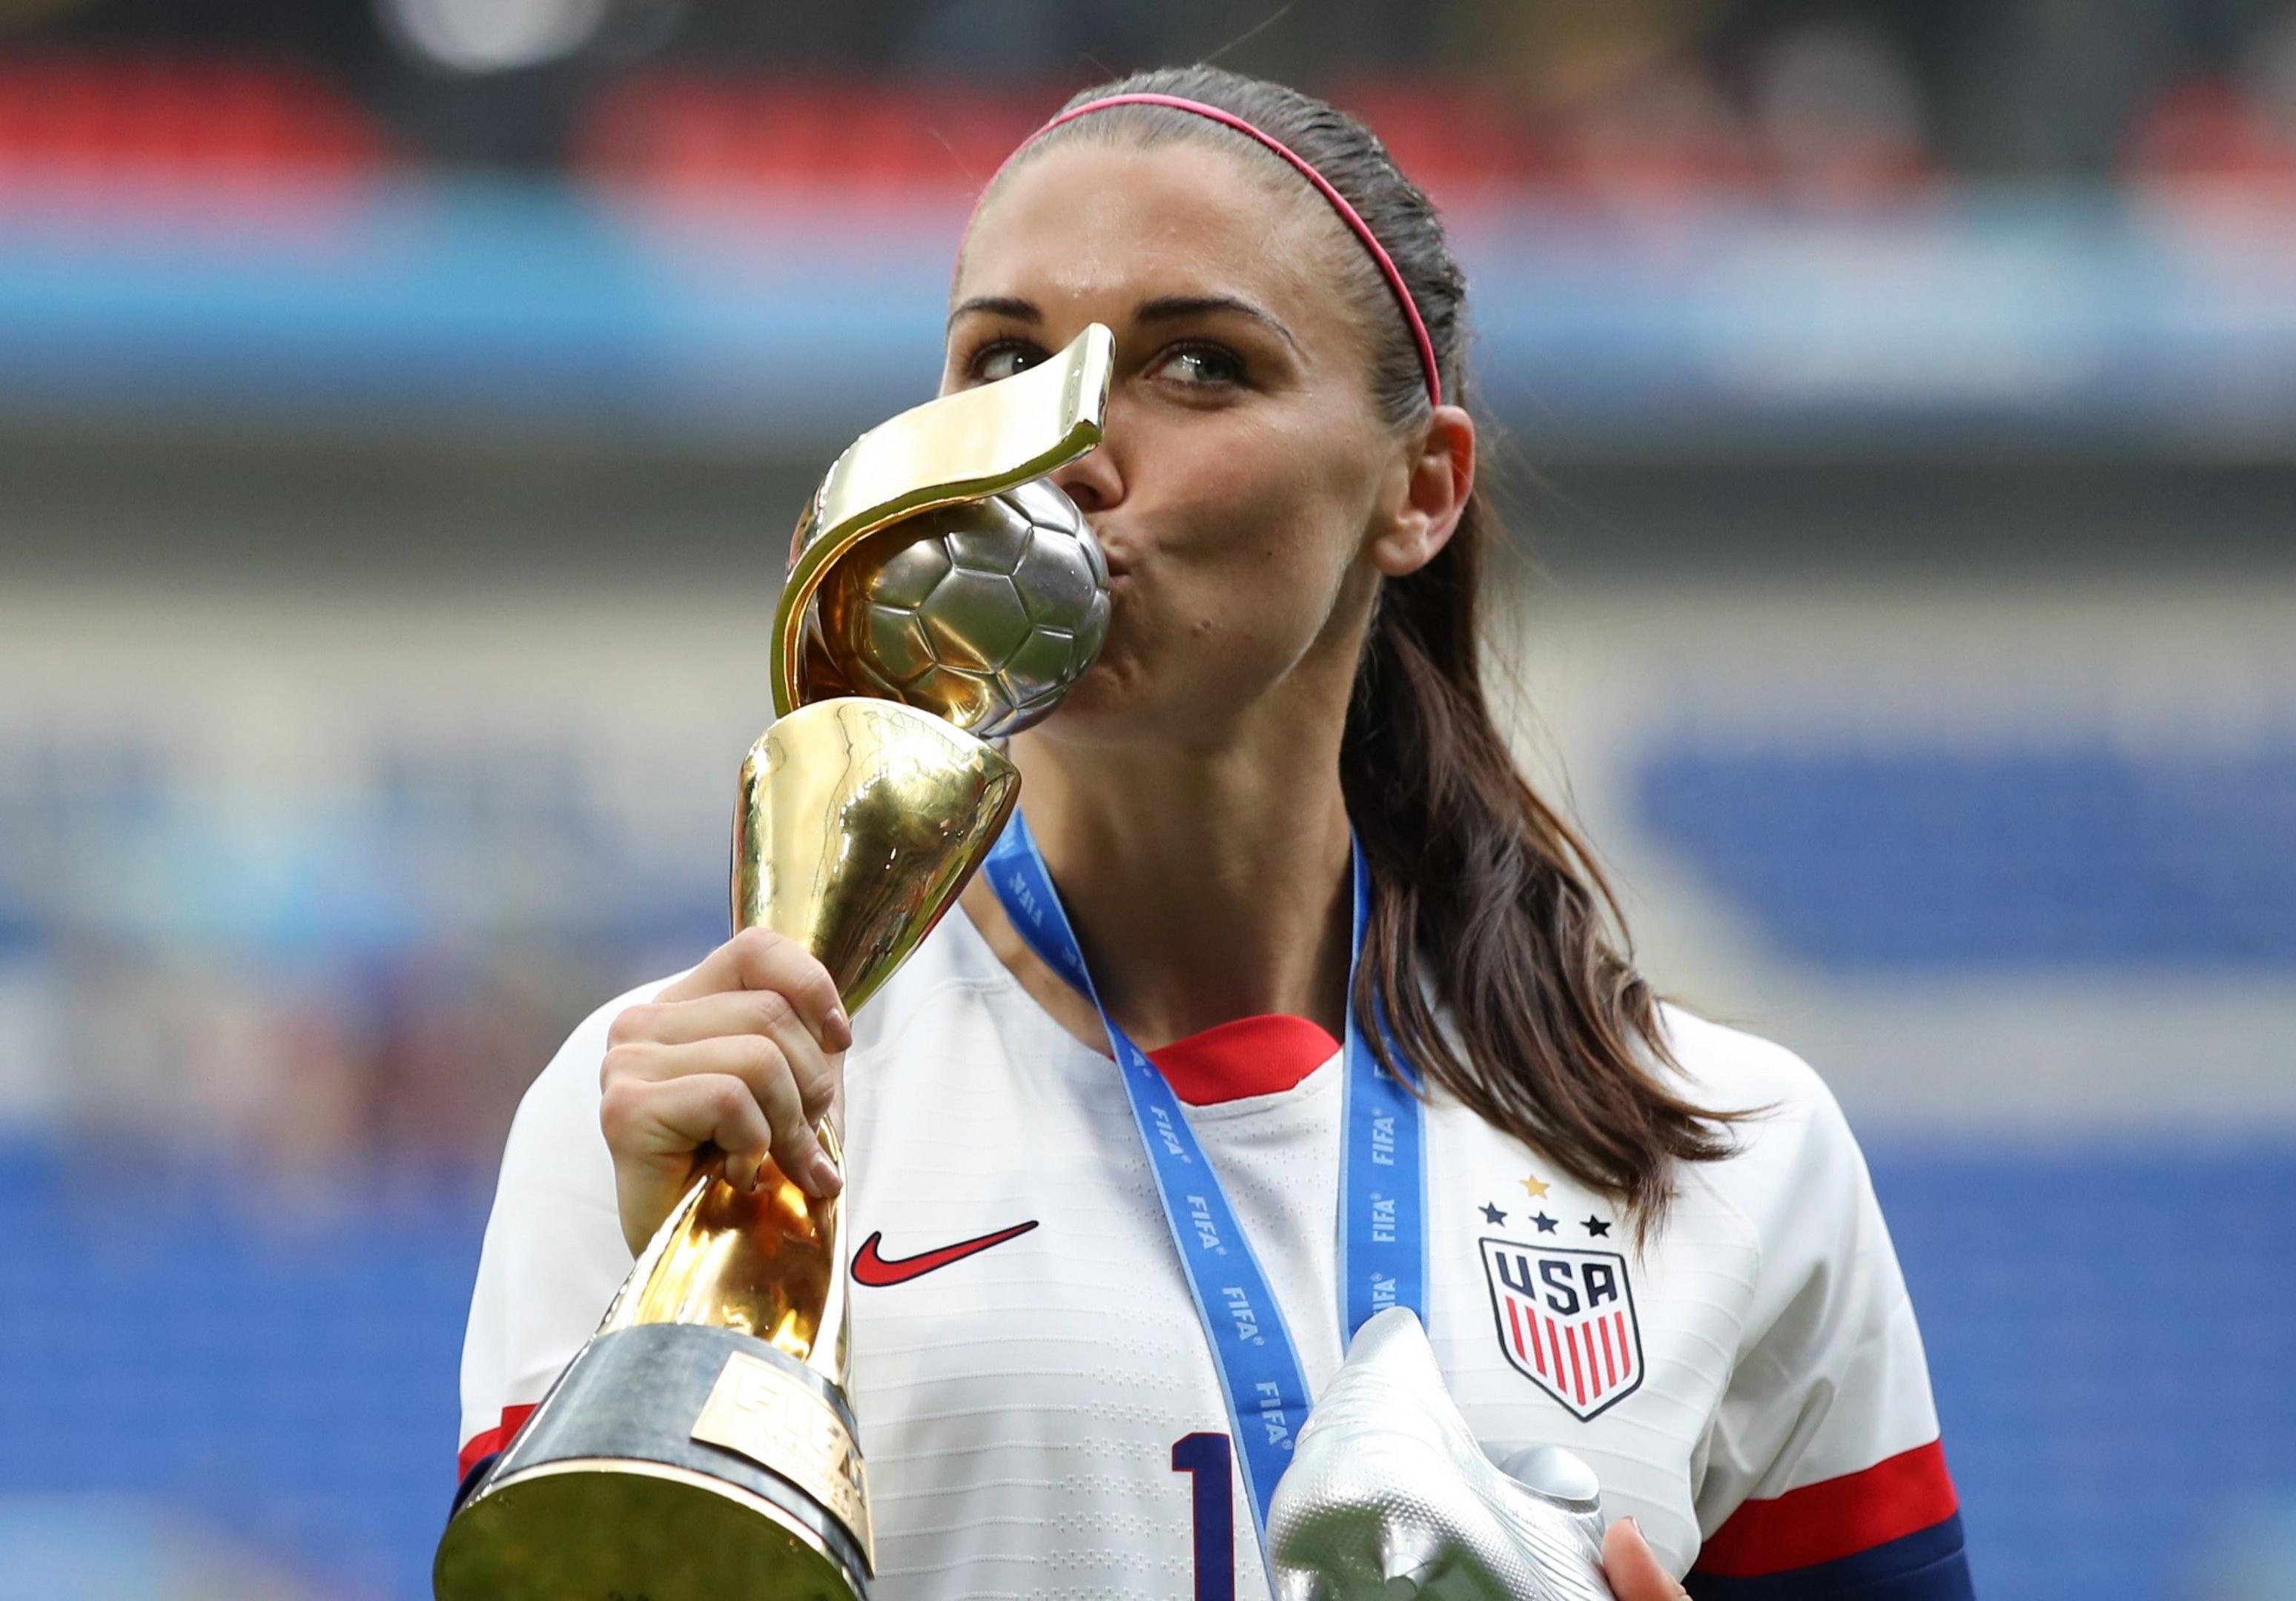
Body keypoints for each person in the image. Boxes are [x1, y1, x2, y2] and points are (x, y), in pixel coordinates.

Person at [458, 64, 1973, 1601]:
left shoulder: (1725, 1150)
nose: (1062, 447)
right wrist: (696, 1318)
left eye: (1194, 366)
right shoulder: (691, 1114)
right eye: (1004, 359)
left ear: (1421, 490)